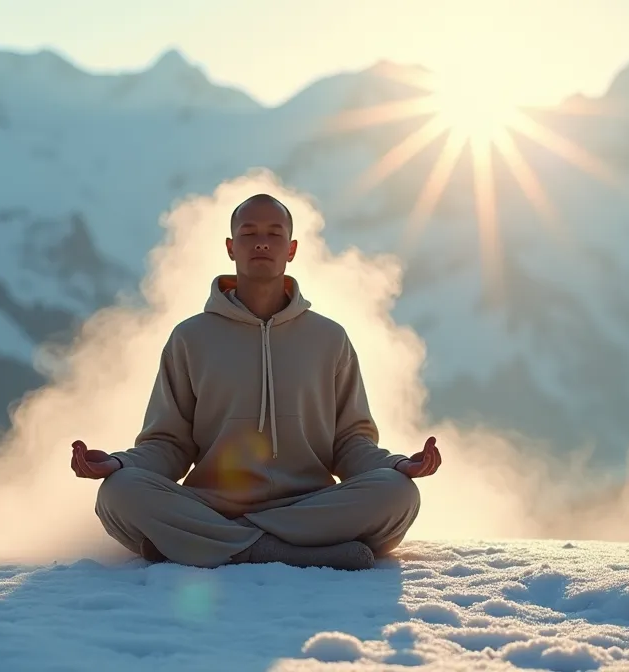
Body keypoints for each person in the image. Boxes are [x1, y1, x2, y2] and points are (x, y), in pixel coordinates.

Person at [70, 193, 442, 570]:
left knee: (398, 494)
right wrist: (118, 464)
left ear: (291, 249)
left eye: (274, 233)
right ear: (231, 248)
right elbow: (169, 444)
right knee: (119, 493)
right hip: (213, 506)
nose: (261, 242)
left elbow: (349, 443)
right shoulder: (190, 337)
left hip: (307, 506)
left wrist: (398, 465)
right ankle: (284, 551)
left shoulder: (329, 338)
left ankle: (212, 545)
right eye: (248, 234)